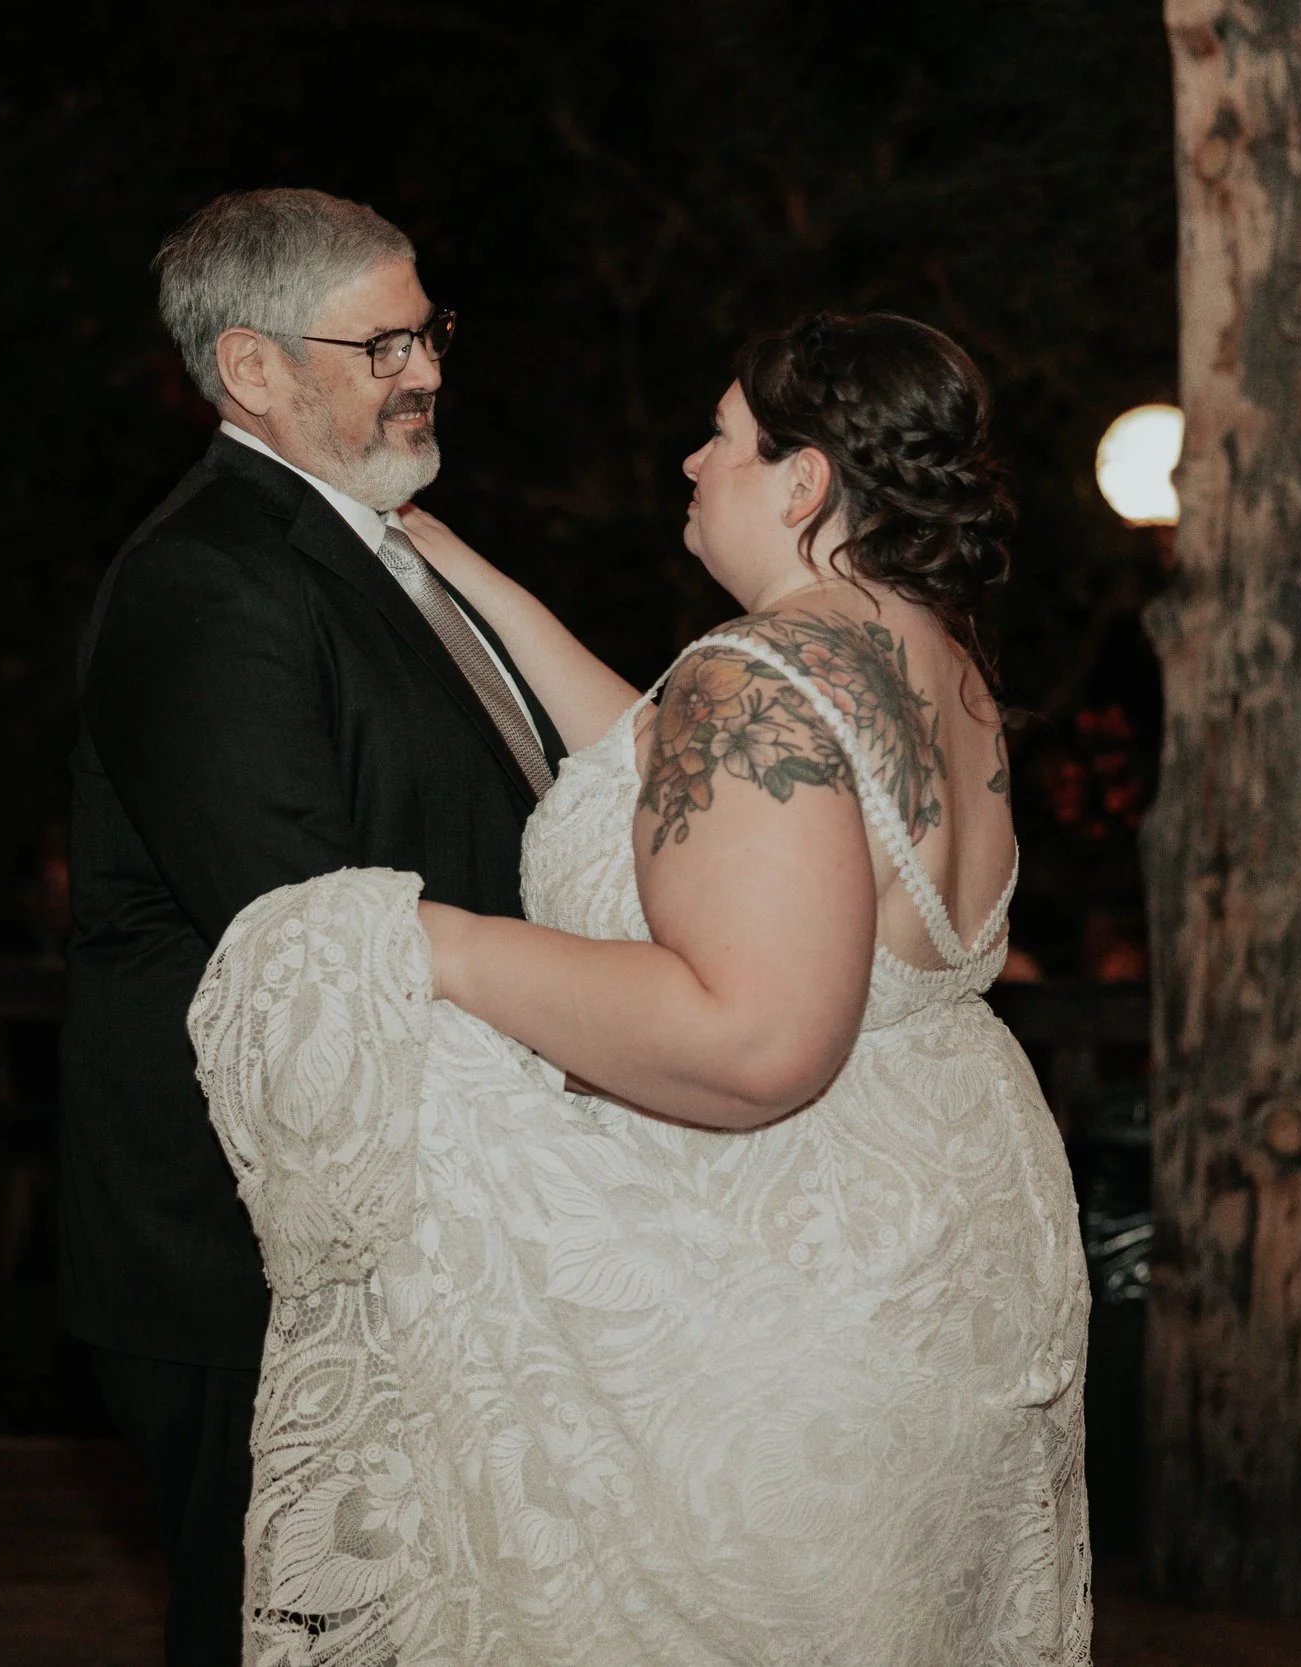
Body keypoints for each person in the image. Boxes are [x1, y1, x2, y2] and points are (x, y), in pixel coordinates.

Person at [192, 312, 1092, 1664]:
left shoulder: (758, 679)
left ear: (802, 482)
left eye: (722, 439)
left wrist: (417, 938)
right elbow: (670, 780)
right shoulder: (930, 660)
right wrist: (458, 571)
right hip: (955, 1242)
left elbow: (754, 1040)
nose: (690, 461)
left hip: (788, 1267)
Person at [60, 188, 564, 1667]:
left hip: (407, 1200)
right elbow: (305, 922)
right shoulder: (208, 577)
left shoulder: (380, 548)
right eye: (383, 341)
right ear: (254, 367)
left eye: (429, 330)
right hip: (244, 1239)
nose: (425, 368)